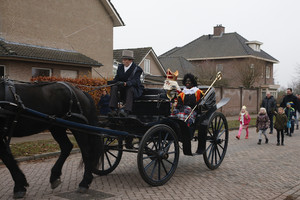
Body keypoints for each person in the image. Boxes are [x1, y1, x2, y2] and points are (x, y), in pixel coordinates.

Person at [107, 50, 144, 117]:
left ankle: (126, 111)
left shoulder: (137, 69)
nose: (123, 61)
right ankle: (113, 109)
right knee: (114, 87)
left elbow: (135, 81)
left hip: (134, 89)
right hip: (122, 89)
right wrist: (111, 82)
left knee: (130, 88)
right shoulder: (120, 67)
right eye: (123, 60)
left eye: (125, 60)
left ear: (130, 60)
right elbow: (117, 78)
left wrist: (126, 83)